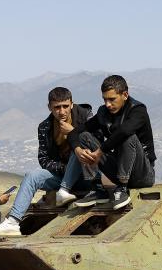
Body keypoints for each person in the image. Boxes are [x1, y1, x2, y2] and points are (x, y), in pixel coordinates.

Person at [0, 87, 93, 237]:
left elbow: (95, 143)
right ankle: (12, 221)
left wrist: (72, 133)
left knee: (80, 144)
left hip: (87, 174)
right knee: (32, 175)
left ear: (72, 104)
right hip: (62, 174)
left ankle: (64, 190)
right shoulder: (45, 127)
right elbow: (44, 160)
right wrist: (66, 169)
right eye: (57, 107)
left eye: (65, 106)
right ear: (49, 107)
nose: (61, 111)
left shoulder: (86, 116)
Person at [55, 74, 156, 210]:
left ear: (125, 95)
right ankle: (97, 189)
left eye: (112, 99)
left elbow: (124, 131)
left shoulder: (138, 110)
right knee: (84, 136)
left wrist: (100, 151)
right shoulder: (104, 113)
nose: (108, 104)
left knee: (128, 136)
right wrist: (78, 151)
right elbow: (75, 132)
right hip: (116, 168)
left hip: (142, 173)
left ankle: (122, 189)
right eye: (105, 99)